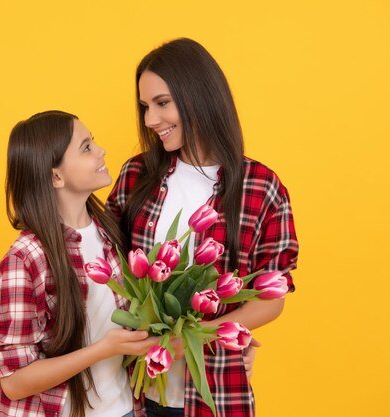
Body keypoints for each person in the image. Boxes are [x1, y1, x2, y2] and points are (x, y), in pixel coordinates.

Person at [106, 38, 299, 417]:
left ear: (199, 95)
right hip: (130, 392)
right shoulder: (136, 175)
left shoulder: (261, 187)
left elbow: (272, 297)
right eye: (146, 107)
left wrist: (198, 338)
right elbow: (101, 261)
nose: (150, 120)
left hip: (216, 390)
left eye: (162, 103)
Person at [0, 110, 160, 417]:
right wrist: (104, 350)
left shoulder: (112, 234)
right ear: (55, 176)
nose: (101, 151)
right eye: (86, 147)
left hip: (123, 410)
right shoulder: (26, 259)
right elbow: (14, 382)